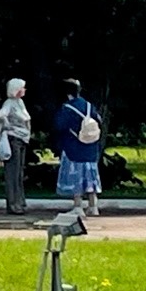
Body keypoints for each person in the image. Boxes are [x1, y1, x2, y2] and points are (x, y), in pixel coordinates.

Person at [53, 79, 102, 218]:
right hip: (91, 148)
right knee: (91, 178)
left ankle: (78, 206)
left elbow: (59, 125)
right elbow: (98, 120)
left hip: (73, 148)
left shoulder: (67, 108)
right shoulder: (88, 105)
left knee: (77, 178)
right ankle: (93, 206)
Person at [0, 79, 33, 215]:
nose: (25, 90)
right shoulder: (9, 103)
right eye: (22, 88)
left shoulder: (20, 103)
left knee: (19, 173)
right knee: (13, 173)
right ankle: (13, 203)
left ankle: (19, 201)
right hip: (13, 138)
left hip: (21, 138)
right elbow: (1, 115)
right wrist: (7, 124)